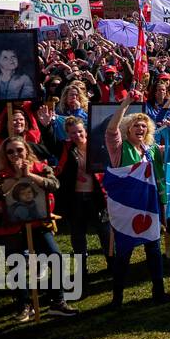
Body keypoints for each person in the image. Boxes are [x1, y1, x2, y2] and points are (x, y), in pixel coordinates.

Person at [0, 137, 78, 320]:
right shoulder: (0, 174)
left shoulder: (41, 167)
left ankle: (57, 301)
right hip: (11, 228)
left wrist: (30, 175)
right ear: (5, 155)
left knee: (55, 257)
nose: (16, 154)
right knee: (17, 265)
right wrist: (16, 176)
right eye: (11, 151)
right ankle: (24, 306)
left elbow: (54, 185)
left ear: (27, 150)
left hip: (39, 224)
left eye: (19, 150)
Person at [104, 96, 166, 308]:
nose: (140, 129)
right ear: (127, 130)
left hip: (149, 208)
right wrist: (126, 104)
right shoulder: (118, 149)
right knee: (124, 253)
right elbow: (111, 130)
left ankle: (159, 291)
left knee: (154, 250)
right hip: (126, 210)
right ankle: (117, 298)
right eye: (135, 126)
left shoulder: (151, 151)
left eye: (143, 126)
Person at [53, 116, 110, 275]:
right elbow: (50, 143)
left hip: (96, 196)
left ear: (85, 130)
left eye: (79, 131)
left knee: (104, 231)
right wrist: (46, 126)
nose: (77, 135)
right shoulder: (66, 148)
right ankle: (82, 268)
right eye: (72, 133)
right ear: (68, 135)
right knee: (78, 234)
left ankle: (111, 262)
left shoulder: (96, 145)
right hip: (75, 198)